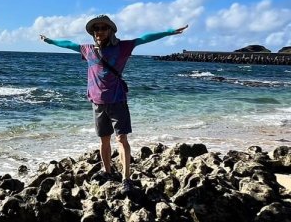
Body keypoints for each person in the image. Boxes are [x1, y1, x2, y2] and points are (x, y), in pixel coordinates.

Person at [40, 15, 188, 185]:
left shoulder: (122, 47)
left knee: (121, 139)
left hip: (117, 100)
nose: (100, 31)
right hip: (97, 102)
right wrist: (51, 41)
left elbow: (144, 38)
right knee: (104, 139)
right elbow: (68, 44)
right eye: (97, 28)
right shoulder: (87, 50)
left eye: (104, 28)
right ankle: (107, 172)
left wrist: (169, 32)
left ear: (110, 30)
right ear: (93, 32)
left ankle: (126, 179)